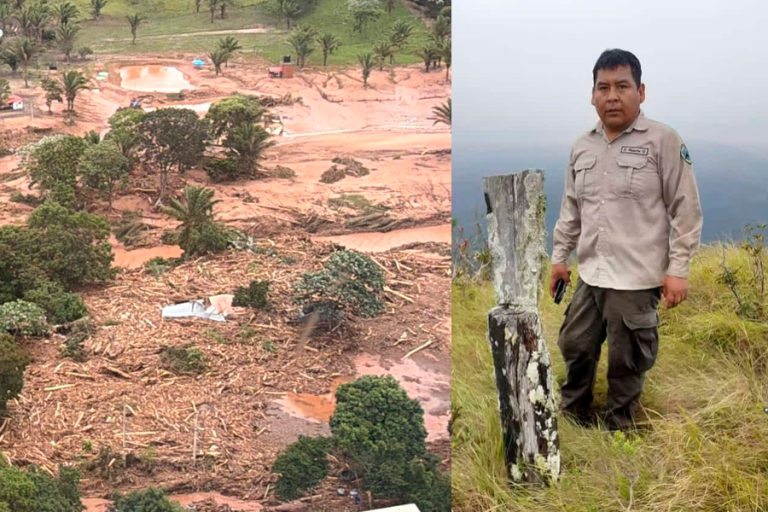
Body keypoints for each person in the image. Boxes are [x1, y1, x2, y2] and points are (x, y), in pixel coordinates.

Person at [549, 48, 703, 431]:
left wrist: (678, 270)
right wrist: (558, 258)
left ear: (641, 91)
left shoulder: (663, 141)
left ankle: (619, 430)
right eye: (603, 87)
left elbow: (686, 210)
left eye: (622, 86)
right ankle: (575, 419)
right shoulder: (582, 145)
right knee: (575, 345)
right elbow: (572, 208)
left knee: (627, 359)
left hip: (635, 279)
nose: (612, 96)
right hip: (591, 274)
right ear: (592, 94)